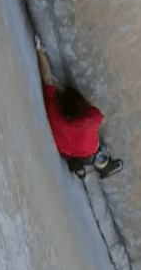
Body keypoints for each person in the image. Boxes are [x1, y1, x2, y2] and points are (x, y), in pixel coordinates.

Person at [37, 44, 123, 178]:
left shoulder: (54, 113)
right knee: (100, 149)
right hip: (88, 153)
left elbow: (47, 79)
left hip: (65, 151)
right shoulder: (90, 119)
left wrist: (39, 51)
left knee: (78, 150)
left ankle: (77, 168)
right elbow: (102, 117)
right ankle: (104, 167)